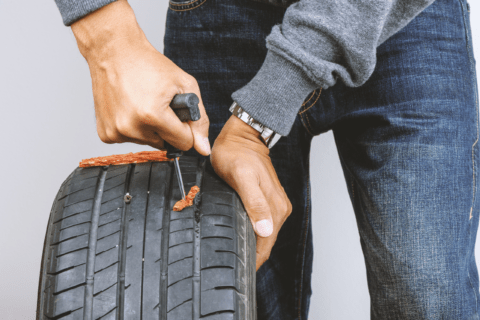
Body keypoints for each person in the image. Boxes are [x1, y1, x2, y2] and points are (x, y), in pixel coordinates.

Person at [53, 0, 479, 318]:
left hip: (403, 22)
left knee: (428, 296)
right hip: (214, 14)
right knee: (233, 292)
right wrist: (108, 38)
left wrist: (260, 116)